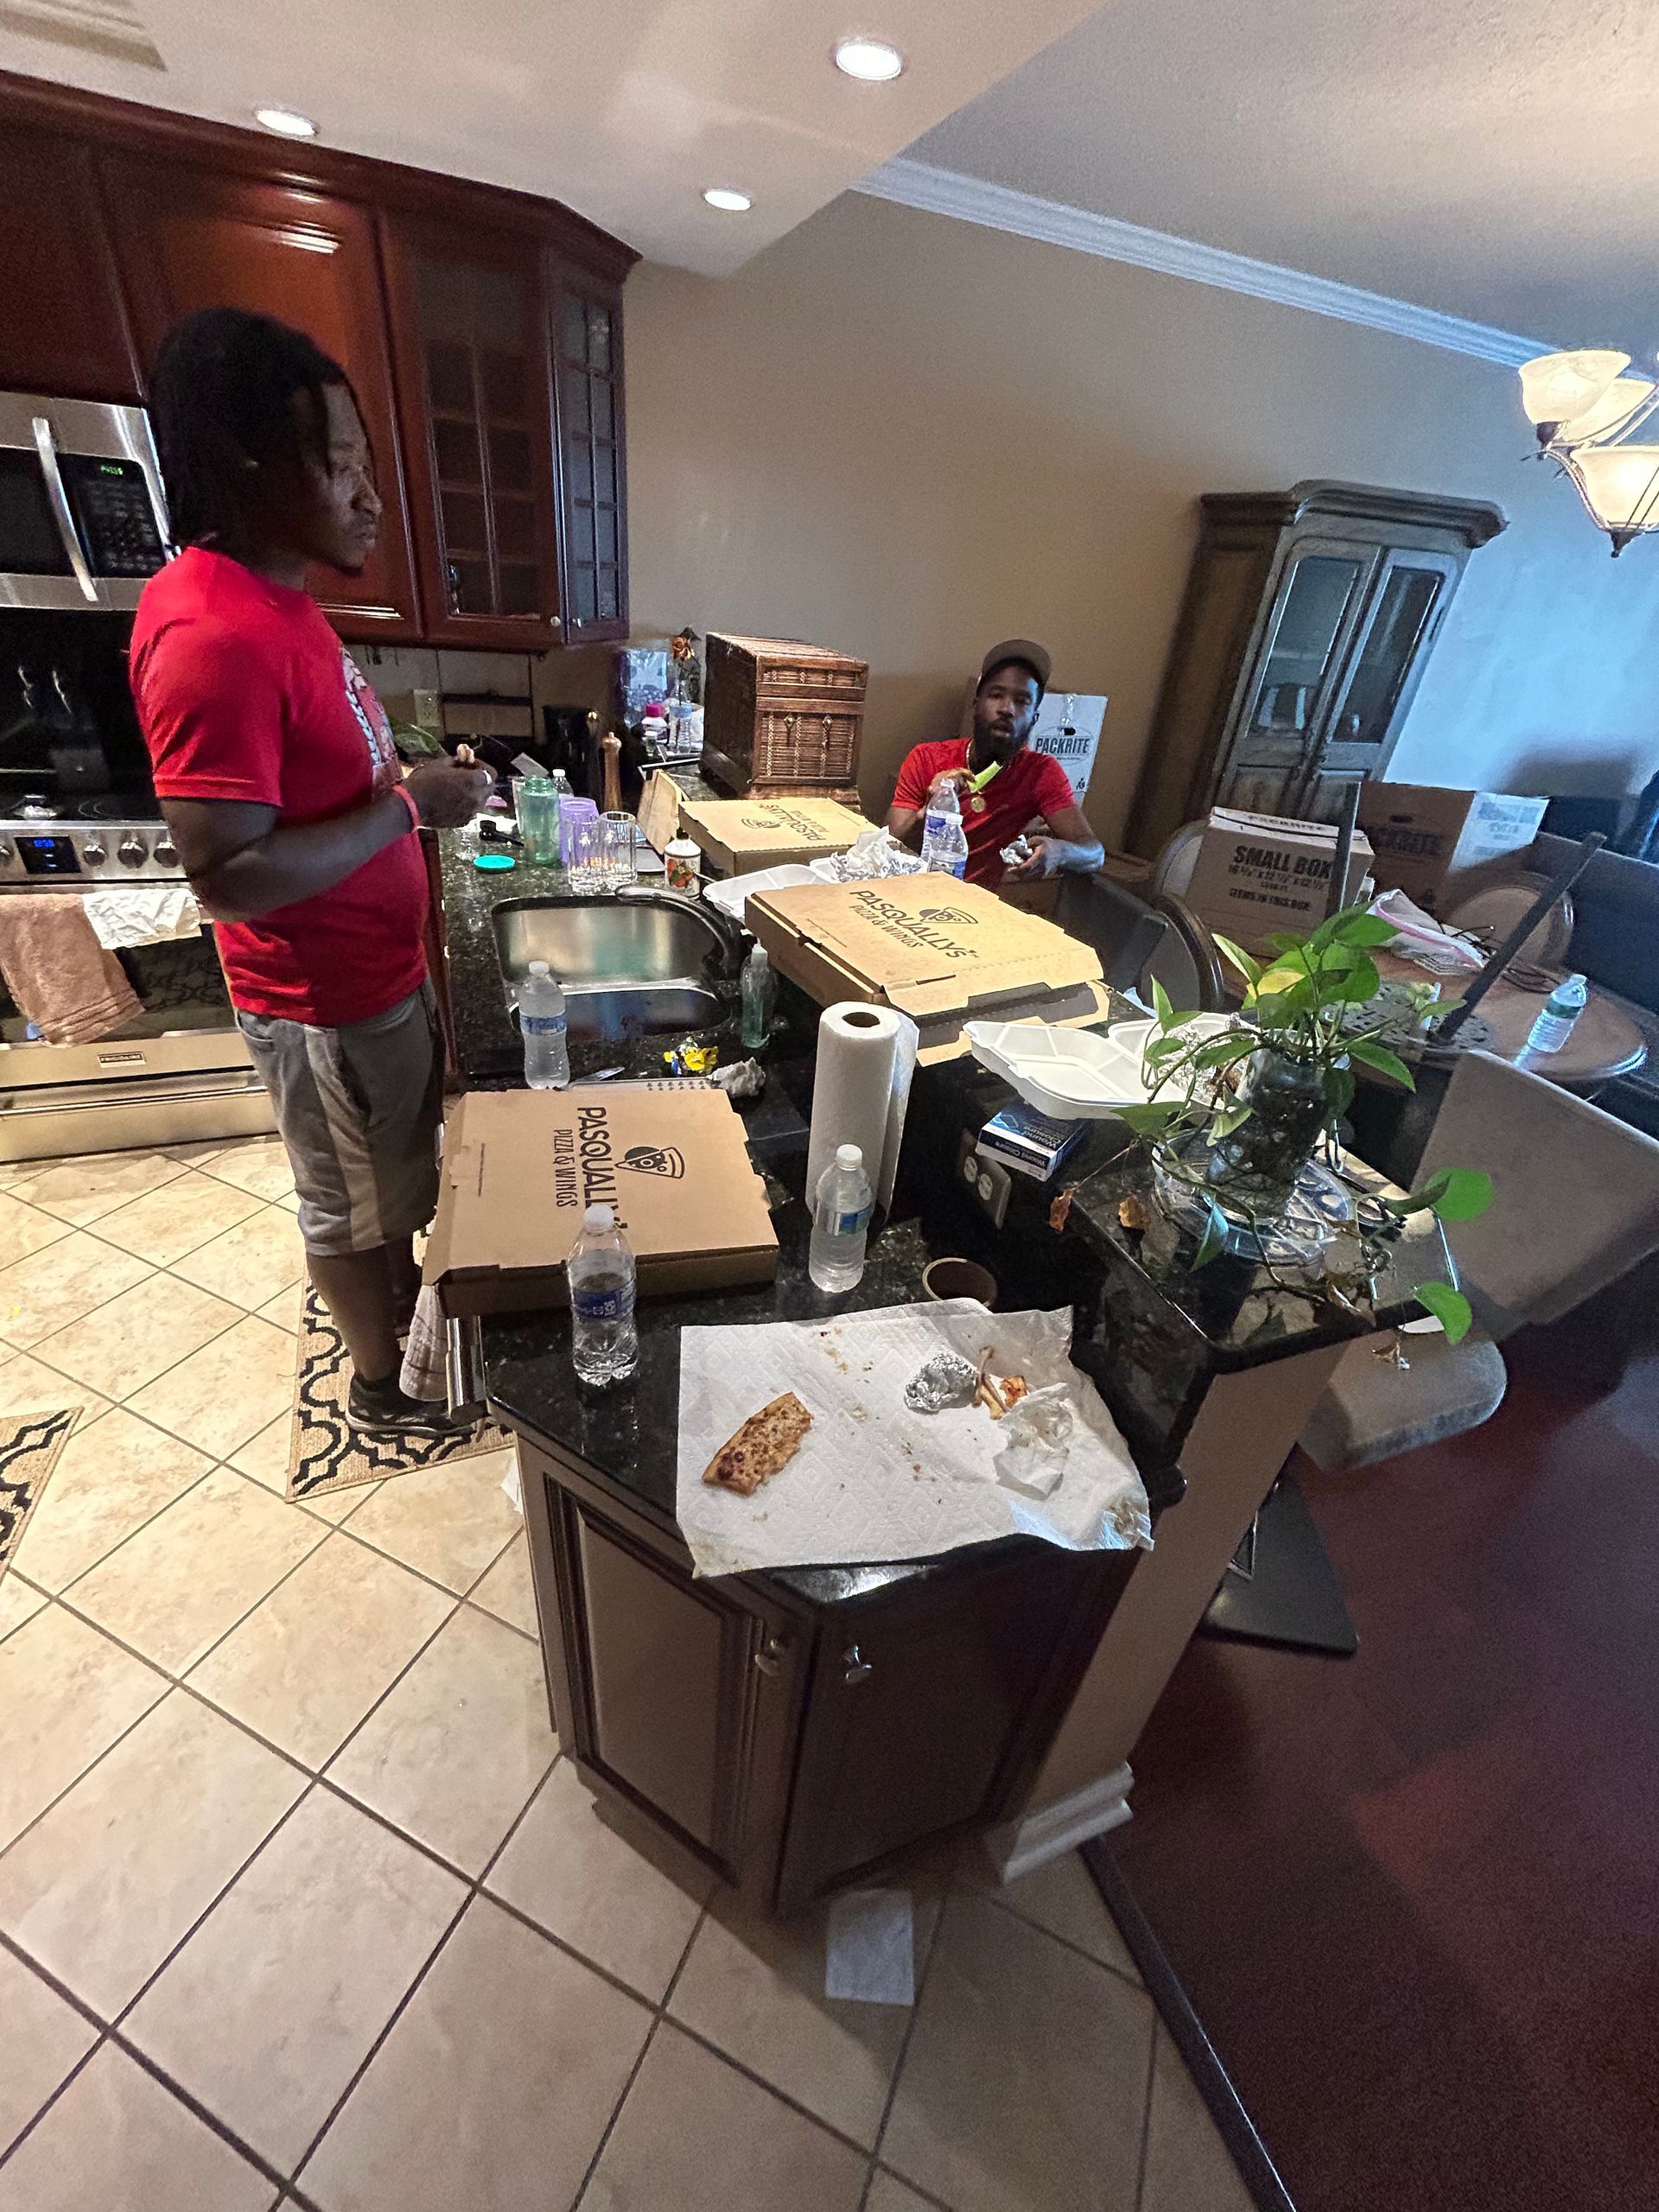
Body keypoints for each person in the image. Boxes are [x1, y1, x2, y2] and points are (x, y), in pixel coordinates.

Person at [131, 307, 493, 1435]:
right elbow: (226, 873)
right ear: (247, 464)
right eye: (338, 466)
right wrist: (405, 807)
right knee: (346, 1202)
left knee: (384, 1184)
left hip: (369, 978)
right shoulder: (212, 636)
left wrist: (402, 795)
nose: (367, 495)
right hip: (321, 1001)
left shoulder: (276, 601)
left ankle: (394, 1320)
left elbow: (311, 790)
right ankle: (382, 1385)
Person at [887, 639, 1103, 889]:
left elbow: (1094, 853)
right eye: (996, 695)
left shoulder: (1040, 772)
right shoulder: (926, 758)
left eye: (1022, 701)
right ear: (976, 704)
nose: (1007, 709)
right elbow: (890, 843)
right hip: (906, 894)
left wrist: (1058, 852)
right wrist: (932, 808)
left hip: (973, 908)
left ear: (1034, 718)